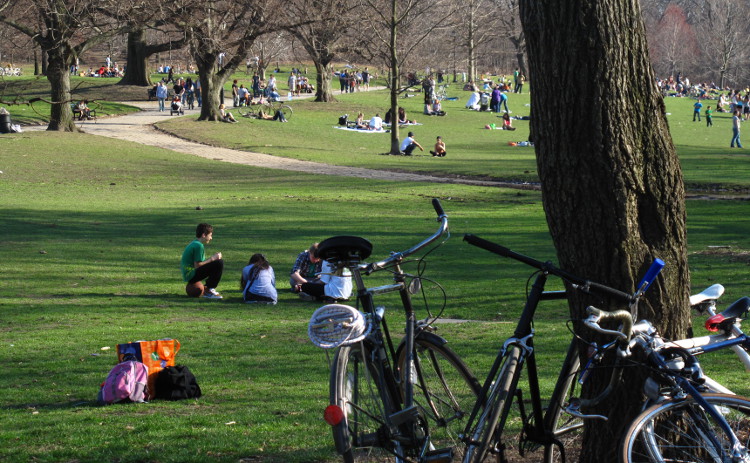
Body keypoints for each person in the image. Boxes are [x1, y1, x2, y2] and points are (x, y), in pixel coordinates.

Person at [181, 223, 224, 299]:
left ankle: (208, 289)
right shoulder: (198, 246)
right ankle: (209, 290)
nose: (211, 238)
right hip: (191, 275)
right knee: (219, 263)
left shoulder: (195, 243)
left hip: (188, 274)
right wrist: (213, 258)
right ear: (204, 235)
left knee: (215, 263)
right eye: (210, 235)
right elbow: (198, 265)